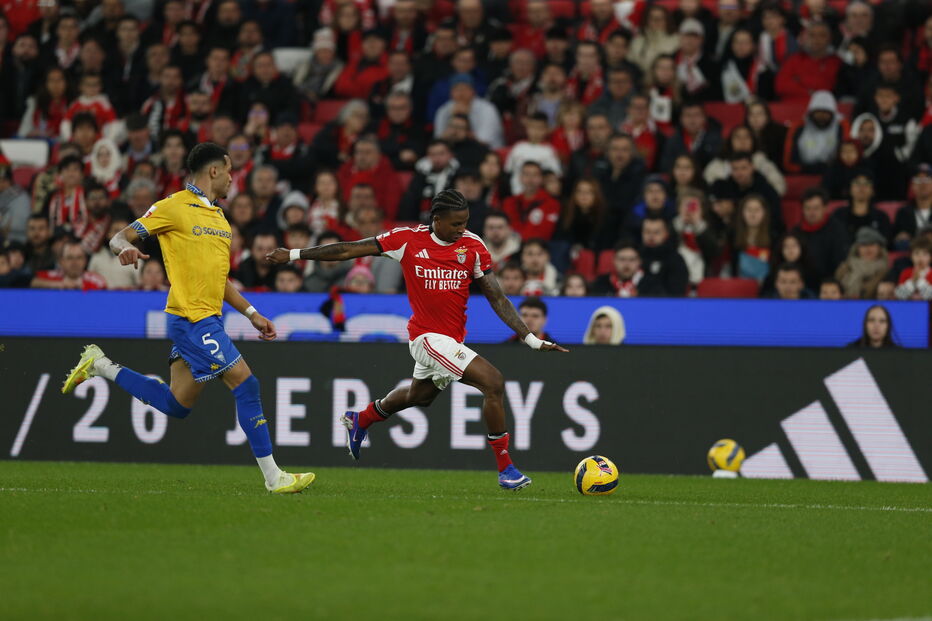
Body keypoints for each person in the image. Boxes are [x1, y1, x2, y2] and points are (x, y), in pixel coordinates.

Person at [267, 189, 568, 490]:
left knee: (419, 396)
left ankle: (362, 418)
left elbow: (498, 298)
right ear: (436, 220)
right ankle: (507, 470)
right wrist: (294, 254)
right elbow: (348, 250)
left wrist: (528, 337)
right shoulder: (406, 240)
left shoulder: (473, 246)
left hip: (451, 341)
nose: (462, 228)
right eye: (455, 223)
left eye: (465, 222)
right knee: (493, 382)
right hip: (425, 338)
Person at [61, 142, 314, 495]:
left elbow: (218, 281)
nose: (232, 180)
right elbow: (119, 236)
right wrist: (125, 249)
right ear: (214, 170)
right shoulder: (173, 206)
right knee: (246, 383)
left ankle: (101, 365)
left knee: (176, 405)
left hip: (207, 319)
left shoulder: (221, 220)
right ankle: (274, 477)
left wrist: (252, 313)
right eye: (229, 172)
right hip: (190, 320)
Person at [794, 187, 850, 280]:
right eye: (807, 208)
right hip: (801, 284)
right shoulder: (795, 232)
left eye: (816, 208)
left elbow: (841, 262)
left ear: (825, 208)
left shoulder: (837, 230)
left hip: (830, 284)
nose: (811, 213)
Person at [835, 227, 888, 300]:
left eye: (872, 244)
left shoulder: (886, 270)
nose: (867, 249)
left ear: (880, 248)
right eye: (863, 244)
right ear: (857, 248)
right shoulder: (846, 267)